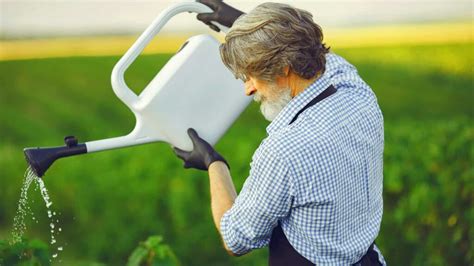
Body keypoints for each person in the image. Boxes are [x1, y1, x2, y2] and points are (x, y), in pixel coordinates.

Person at [174, 1, 386, 265]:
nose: (248, 89)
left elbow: (235, 239)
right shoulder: (357, 92)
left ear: (285, 68)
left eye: (251, 75)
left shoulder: (284, 151)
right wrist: (246, 25)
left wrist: (214, 163)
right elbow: (322, 57)